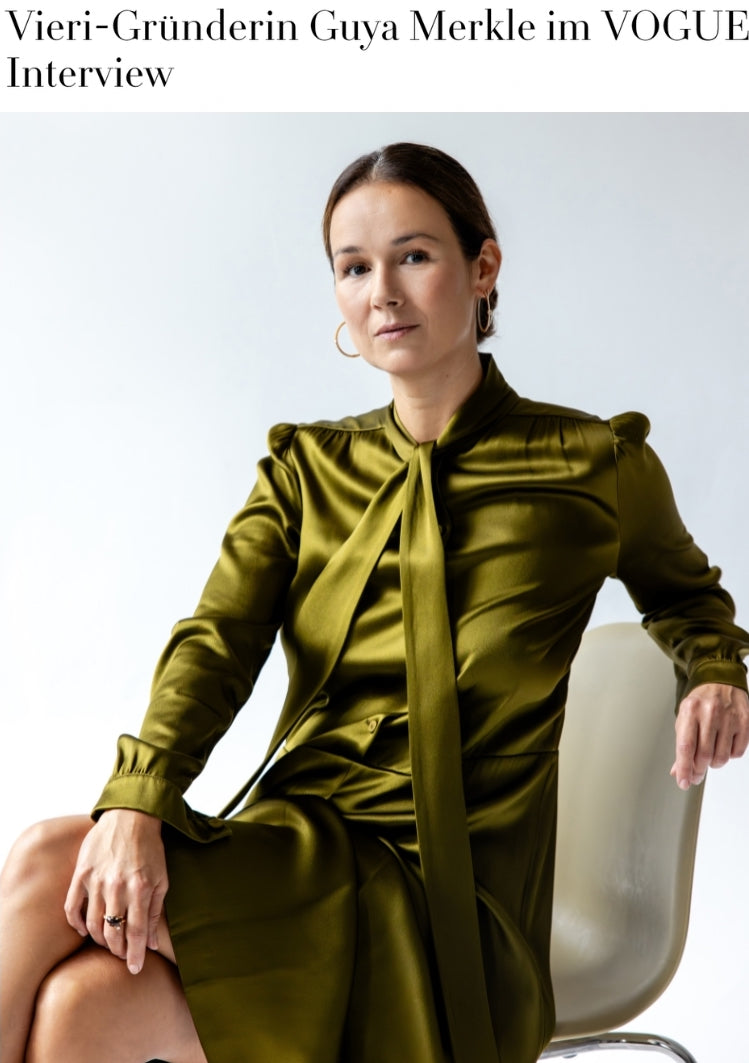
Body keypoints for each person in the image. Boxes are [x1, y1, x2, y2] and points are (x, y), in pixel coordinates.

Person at [2, 142, 748, 1063]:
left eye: (413, 255)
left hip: (455, 894)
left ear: (482, 267)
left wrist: (715, 670)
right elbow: (216, 643)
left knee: (68, 952)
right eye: (353, 267)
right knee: (65, 947)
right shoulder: (305, 471)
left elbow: (690, 599)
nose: (382, 292)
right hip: (302, 845)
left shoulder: (593, 465)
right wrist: (138, 800)